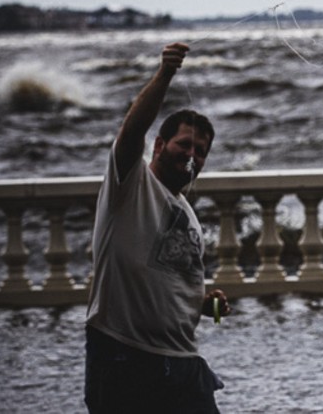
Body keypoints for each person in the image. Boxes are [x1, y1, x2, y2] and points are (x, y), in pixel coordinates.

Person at [84, 42, 231, 413]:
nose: (192, 156)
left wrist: (209, 306)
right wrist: (165, 74)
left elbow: (172, 287)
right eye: (185, 145)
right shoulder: (129, 185)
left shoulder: (188, 215)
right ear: (159, 146)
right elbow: (131, 132)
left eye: (201, 152)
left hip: (184, 363)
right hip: (124, 357)